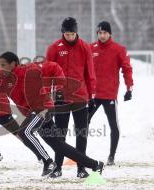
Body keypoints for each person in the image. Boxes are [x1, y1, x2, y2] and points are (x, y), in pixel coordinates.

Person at [0, 51, 104, 178]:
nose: (2, 68)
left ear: (13, 64)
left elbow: (51, 66)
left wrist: (58, 84)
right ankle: (95, 164)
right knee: (59, 146)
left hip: (43, 108)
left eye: (4, 65)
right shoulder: (3, 81)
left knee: (24, 132)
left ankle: (48, 162)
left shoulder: (26, 69)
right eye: (0, 65)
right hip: (35, 112)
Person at [45, 17, 96, 178]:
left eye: (72, 33)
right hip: (60, 98)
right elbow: (47, 74)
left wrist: (91, 95)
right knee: (59, 134)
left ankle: (81, 168)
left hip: (80, 97)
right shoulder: (54, 48)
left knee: (81, 133)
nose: (70, 37)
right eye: (67, 34)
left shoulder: (84, 47)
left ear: (76, 32)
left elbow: (90, 73)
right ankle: (57, 167)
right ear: (63, 33)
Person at [89, 21, 134, 165]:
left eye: (105, 33)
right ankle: (79, 154)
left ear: (110, 34)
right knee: (82, 123)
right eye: (100, 33)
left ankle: (111, 157)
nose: (102, 35)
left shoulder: (118, 49)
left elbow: (127, 69)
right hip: (93, 95)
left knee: (113, 126)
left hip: (109, 94)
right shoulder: (90, 48)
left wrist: (129, 88)